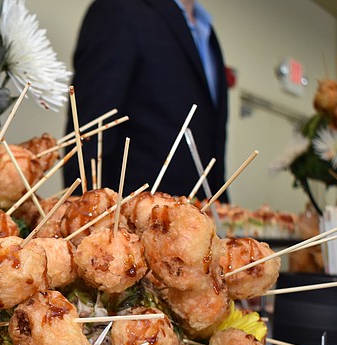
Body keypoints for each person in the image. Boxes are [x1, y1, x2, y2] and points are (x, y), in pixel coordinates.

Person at [64, 0, 229, 198]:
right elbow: (89, 138)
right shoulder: (120, 9)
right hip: (131, 220)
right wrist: (87, 219)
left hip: (201, 218)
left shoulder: (209, 33)